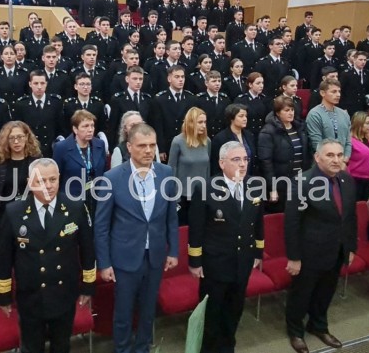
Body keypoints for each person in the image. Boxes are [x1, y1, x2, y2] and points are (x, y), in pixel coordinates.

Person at [0, 158, 96, 353]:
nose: (48, 186)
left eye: (52, 180)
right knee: (32, 347)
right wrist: (4, 296)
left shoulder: (74, 207)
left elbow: (87, 249)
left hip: (63, 293)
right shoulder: (14, 212)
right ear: (30, 182)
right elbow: (5, 258)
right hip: (31, 296)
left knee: (62, 345)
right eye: (41, 181)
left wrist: (88, 286)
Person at [95, 124, 179, 353]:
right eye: (142, 145)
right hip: (124, 258)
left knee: (148, 310)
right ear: (129, 147)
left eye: (152, 145)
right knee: (123, 312)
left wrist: (173, 251)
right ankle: (122, 350)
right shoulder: (111, 178)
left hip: (155, 256)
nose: (148, 150)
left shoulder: (166, 173)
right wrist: (104, 263)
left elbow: (171, 217)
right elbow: (101, 226)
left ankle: (143, 348)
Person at [188, 141, 264, 353]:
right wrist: (195, 261)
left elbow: (258, 223)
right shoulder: (205, 188)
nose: (242, 164)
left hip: (243, 261)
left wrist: (258, 251)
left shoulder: (255, 185)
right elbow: (196, 229)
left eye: (245, 159)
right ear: (222, 163)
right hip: (215, 263)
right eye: (236, 159)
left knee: (234, 309)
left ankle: (227, 346)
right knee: (212, 313)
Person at [285, 139, 357, 353]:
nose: (336, 160)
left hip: (337, 250)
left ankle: (318, 326)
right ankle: (296, 332)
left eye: (339, 155)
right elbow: (292, 223)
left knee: (326, 292)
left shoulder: (346, 179)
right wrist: (294, 257)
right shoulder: (302, 182)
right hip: (309, 253)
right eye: (330, 155)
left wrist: (350, 247)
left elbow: (350, 217)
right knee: (301, 295)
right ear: (317, 157)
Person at [0, 121, 41, 252]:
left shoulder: (36, 160)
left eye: (20, 137)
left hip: (31, 216)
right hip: (5, 217)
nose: (16, 142)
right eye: (12, 138)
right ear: (6, 141)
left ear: (27, 137)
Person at [258, 96, 311, 213]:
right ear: (277, 113)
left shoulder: (300, 127)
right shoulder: (268, 131)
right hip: (281, 182)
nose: (290, 113)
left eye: (292, 110)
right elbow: (266, 162)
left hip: (300, 179)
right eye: (286, 110)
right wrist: (272, 188)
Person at [53, 110, 107, 217]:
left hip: (97, 200)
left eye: (92, 126)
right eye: (85, 126)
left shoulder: (99, 144)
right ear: (75, 129)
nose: (90, 130)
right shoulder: (61, 148)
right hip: (72, 200)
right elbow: (57, 176)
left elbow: (104, 172)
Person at [168, 107, 211, 224]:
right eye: (200, 122)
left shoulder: (207, 141)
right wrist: (174, 197)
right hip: (182, 196)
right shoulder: (178, 141)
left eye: (205, 122)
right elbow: (171, 169)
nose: (203, 125)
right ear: (191, 123)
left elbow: (208, 168)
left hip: (201, 195)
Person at [305, 78, 352, 159]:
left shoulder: (344, 114)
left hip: (342, 162)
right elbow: (316, 143)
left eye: (339, 91)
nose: (338, 95)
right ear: (322, 93)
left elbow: (348, 141)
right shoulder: (315, 114)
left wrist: (345, 158)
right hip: (323, 162)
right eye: (334, 92)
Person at [210, 104, 256, 176]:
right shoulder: (221, 138)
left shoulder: (249, 135)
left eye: (245, 116)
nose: (245, 119)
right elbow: (216, 165)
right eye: (241, 116)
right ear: (231, 118)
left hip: (247, 177)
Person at [347, 112, 369, 201]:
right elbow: (345, 163)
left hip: (368, 180)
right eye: (367, 123)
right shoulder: (349, 141)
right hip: (354, 181)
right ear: (358, 123)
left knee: (363, 208)